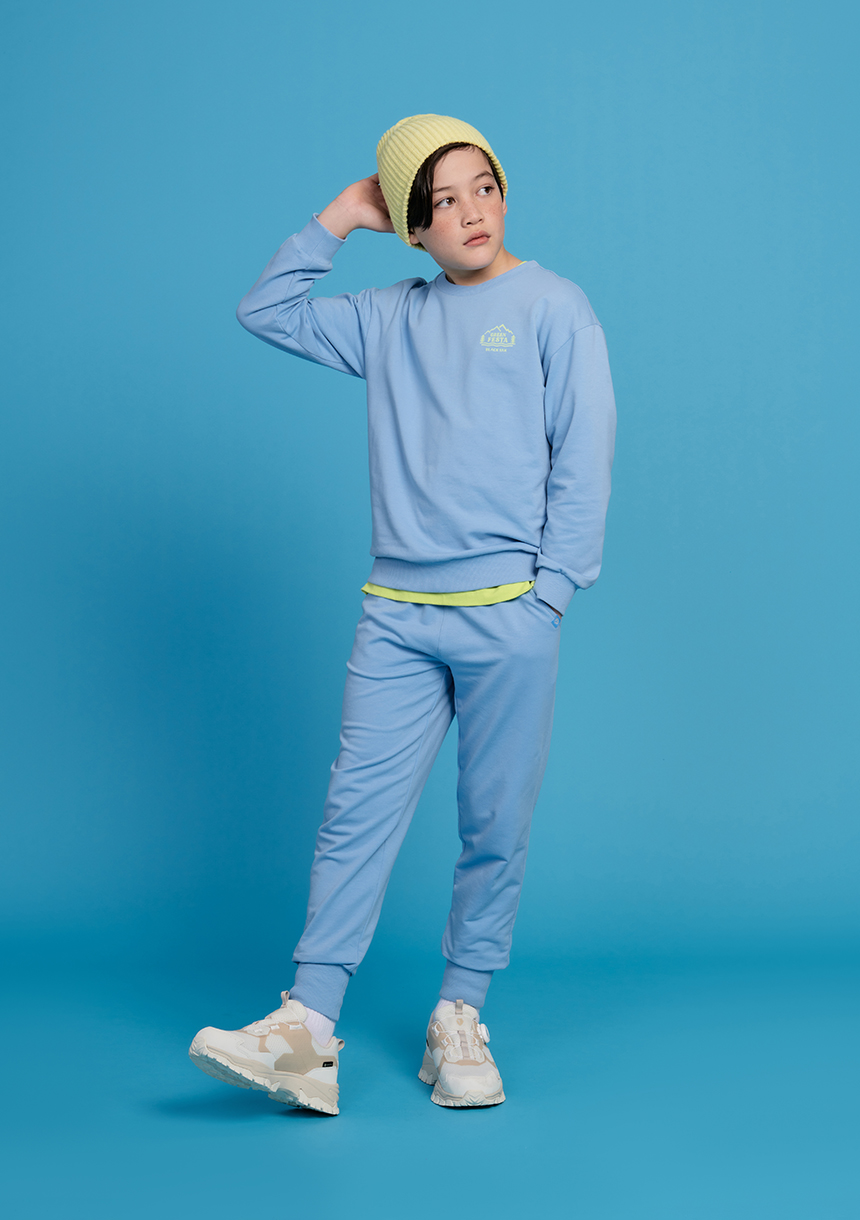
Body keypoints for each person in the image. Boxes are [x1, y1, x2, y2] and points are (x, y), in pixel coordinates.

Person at [189, 114, 616, 1114]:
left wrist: (550, 593)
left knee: (492, 823)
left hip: (508, 614)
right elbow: (266, 310)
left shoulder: (554, 306)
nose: (470, 212)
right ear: (412, 229)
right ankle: (308, 1026)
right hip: (396, 615)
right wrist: (340, 216)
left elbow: (584, 451)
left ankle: (460, 1012)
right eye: (441, 202)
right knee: (354, 816)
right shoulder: (387, 316)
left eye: (483, 188)